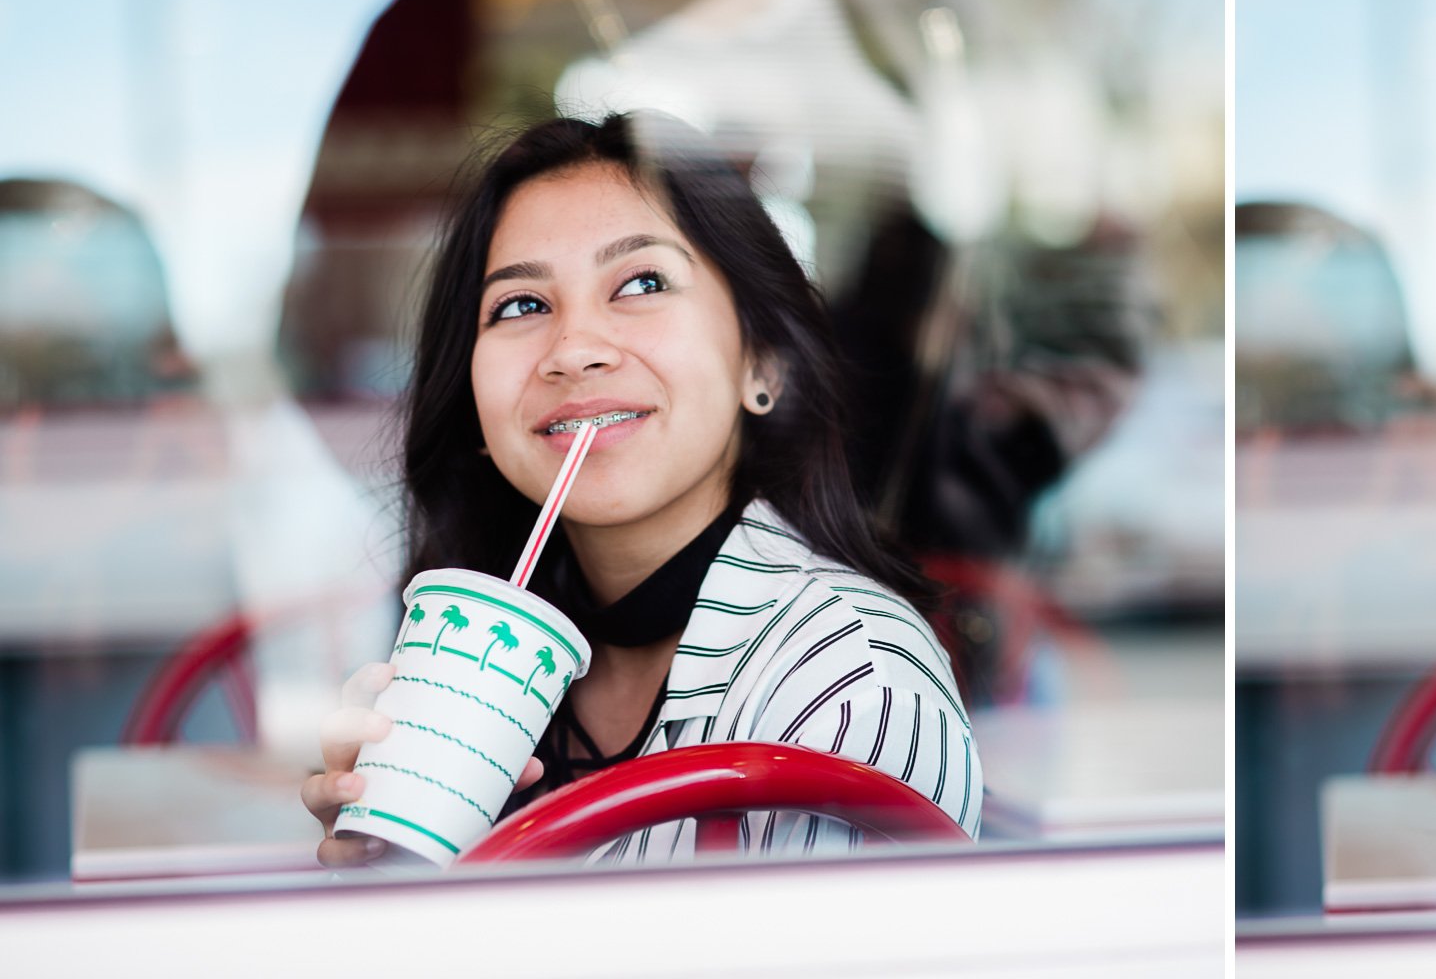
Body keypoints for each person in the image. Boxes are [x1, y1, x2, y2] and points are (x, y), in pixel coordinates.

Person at [301, 112, 980, 866]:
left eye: (642, 282)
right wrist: (377, 876)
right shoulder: (475, 660)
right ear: (472, 403)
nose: (575, 350)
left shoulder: (848, 683)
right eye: (521, 305)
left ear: (764, 365)